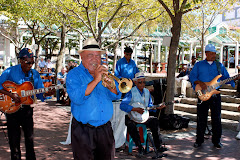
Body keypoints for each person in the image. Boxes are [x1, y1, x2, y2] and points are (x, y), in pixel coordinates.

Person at [66, 38, 121, 160]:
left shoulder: (105, 73)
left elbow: (117, 95)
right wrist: (96, 80)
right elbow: (77, 98)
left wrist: (110, 84)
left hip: (105, 130)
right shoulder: (74, 74)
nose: (95, 59)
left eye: (97, 56)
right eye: (90, 55)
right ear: (81, 56)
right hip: (83, 131)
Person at [0, 48, 53, 160]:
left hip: (27, 111)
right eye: (28, 62)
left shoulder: (35, 74)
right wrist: (11, 95)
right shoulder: (10, 71)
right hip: (12, 110)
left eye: (32, 62)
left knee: (30, 140)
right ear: (21, 61)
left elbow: (40, 93)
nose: (31, 65)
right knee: (14, 142)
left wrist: (47, 93)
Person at [189, 44, 237, 149]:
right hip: (202, 93)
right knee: (201, 118)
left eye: (215, 53)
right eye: (211, 53)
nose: (213, 55)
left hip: (215, 95)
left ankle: (217, 141)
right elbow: (192, 76)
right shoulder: (198, 65)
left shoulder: (219, 65)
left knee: (217, 118)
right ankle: (199, 140)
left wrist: (234, 79)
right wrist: (199, 82)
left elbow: (226, 78)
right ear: (206, 53)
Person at [120, 72, 167, 157]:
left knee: (155, 121)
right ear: (135, 82)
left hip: (144, 117)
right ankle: (140, 147)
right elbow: (122, 105)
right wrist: (134, 109)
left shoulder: (147, 92)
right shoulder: (130, 92)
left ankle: (158, 146)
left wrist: (157, 107)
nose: (142, 84)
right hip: (132, 116)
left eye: (144, 82)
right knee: (130, 125)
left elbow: (149, 106)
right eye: (140, 82)